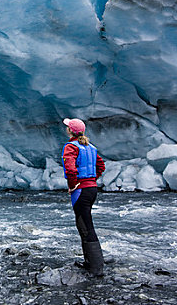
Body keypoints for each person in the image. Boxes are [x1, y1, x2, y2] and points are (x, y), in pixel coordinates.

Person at [61, 118, 105, 276]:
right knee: (84, 225)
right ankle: (91, 262)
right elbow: (101, 166)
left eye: (67, 127)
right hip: (91, 188)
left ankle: (96, 267)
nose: (66, 129)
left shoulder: (70, 147)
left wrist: (73, 185)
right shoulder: (90, 147)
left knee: (85, 226)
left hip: (81, 190)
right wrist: (92, 180)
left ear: (70, 131)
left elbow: (71, 170)